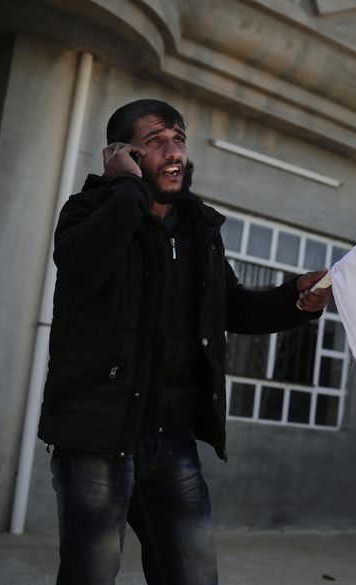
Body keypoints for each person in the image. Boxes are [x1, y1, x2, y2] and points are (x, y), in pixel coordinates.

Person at [38, 98, 332, 585]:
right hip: (98, 437)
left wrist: (293, 300)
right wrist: (127, 188)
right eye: (154, 142)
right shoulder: (87, 212)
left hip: (172, 440)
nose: (173, 152)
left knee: (194, 577)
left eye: (179, 139)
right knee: (89, 576)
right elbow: (83, 266)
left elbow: (230, 307)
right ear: (121, 155)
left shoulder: (199, 230)